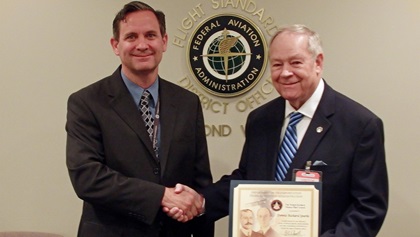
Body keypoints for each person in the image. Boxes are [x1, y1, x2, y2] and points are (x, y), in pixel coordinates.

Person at [171, 24, 388, 237]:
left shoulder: (360, 125)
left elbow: (368, 208)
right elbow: (248, 180)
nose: (285, 73)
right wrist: (201, 201)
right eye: (277, 64)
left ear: (318, 62)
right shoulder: (261, 119)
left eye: (295, 62)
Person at [65, 1, 213, 237]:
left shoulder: (187, 102)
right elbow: (88, 178)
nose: (142, 45)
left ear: (164, 42)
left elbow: (200, 180)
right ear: (116, 45)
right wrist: (160, 196)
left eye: (151, 35)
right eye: (131, 36)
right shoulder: (86, 102)